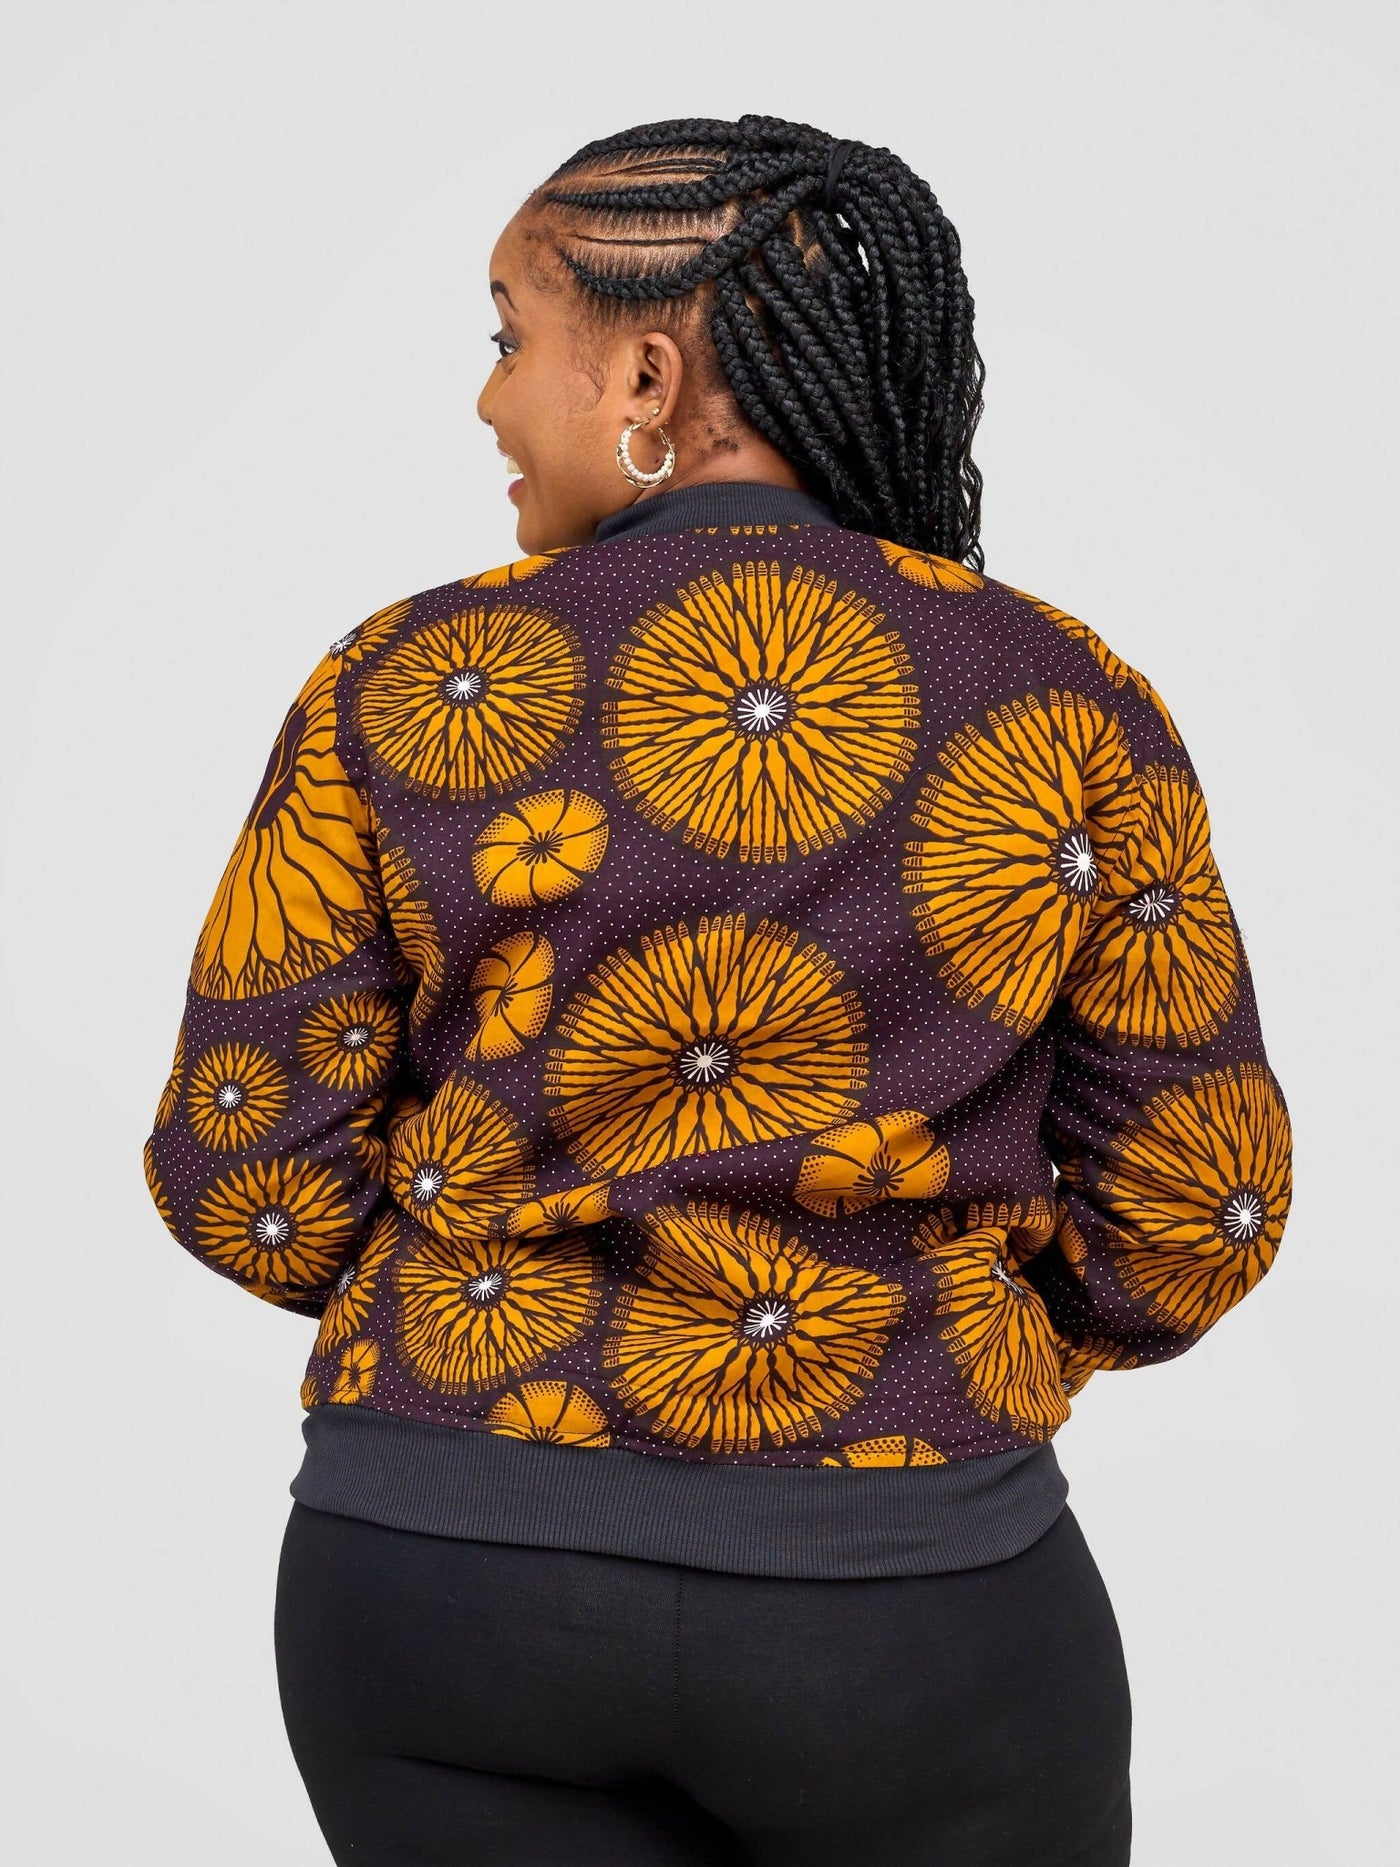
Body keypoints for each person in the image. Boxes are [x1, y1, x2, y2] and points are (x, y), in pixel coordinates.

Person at [142, 113, 1293, 1865]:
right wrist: (949, 1345)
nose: (488, 399)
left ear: (650, 378)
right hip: (913, 1610)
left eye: (509, 337)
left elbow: (243, 1172)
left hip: (440, 1595)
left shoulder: (404, 679)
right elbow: (1202, 1206)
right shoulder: (1064, 698)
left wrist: (479, 1320)